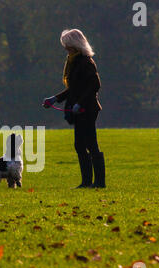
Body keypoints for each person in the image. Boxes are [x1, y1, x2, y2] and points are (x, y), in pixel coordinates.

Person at [43, 29, 106, 188]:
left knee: (91, 145)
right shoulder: (73, 61)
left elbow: (95, 85)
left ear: (75, 44)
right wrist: (55, 99)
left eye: (67, 45)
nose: (65, 48)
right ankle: (86, 182)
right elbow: (73, 88)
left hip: (88, 109)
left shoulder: (86, 61)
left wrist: (81, 103)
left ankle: (99, 182)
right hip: (78, 109)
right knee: (79, 145)